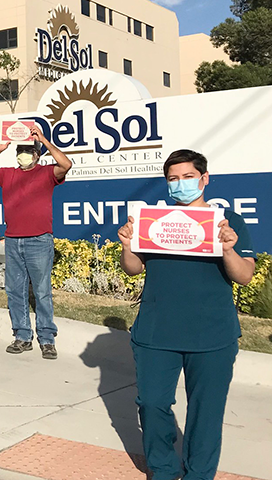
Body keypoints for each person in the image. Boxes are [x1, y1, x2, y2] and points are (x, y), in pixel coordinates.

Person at [117, 149, 255, 480]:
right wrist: (126, 245)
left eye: (188, 177)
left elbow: (244, 275)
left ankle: (198, 474)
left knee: (206, 413)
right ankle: (163, 470)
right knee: (151, 404)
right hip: (156, 333)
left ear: (204, 179)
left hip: (213, 335)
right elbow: (133, 269)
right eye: (173, 179)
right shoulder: (154, 222)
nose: (181, 184)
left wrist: (227, 249)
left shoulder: (227, 222)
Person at [0, 125, 72, 359]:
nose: (22, 154)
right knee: (15, 290)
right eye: (20, 150)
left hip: (39, 240)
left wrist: (44, 140)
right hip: (13, 240)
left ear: (37, 155)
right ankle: (22, 336)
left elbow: (65, 165)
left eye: (28, 150)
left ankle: (47, 339)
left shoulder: (46, 173)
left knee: (42, 291)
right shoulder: (8, 173)